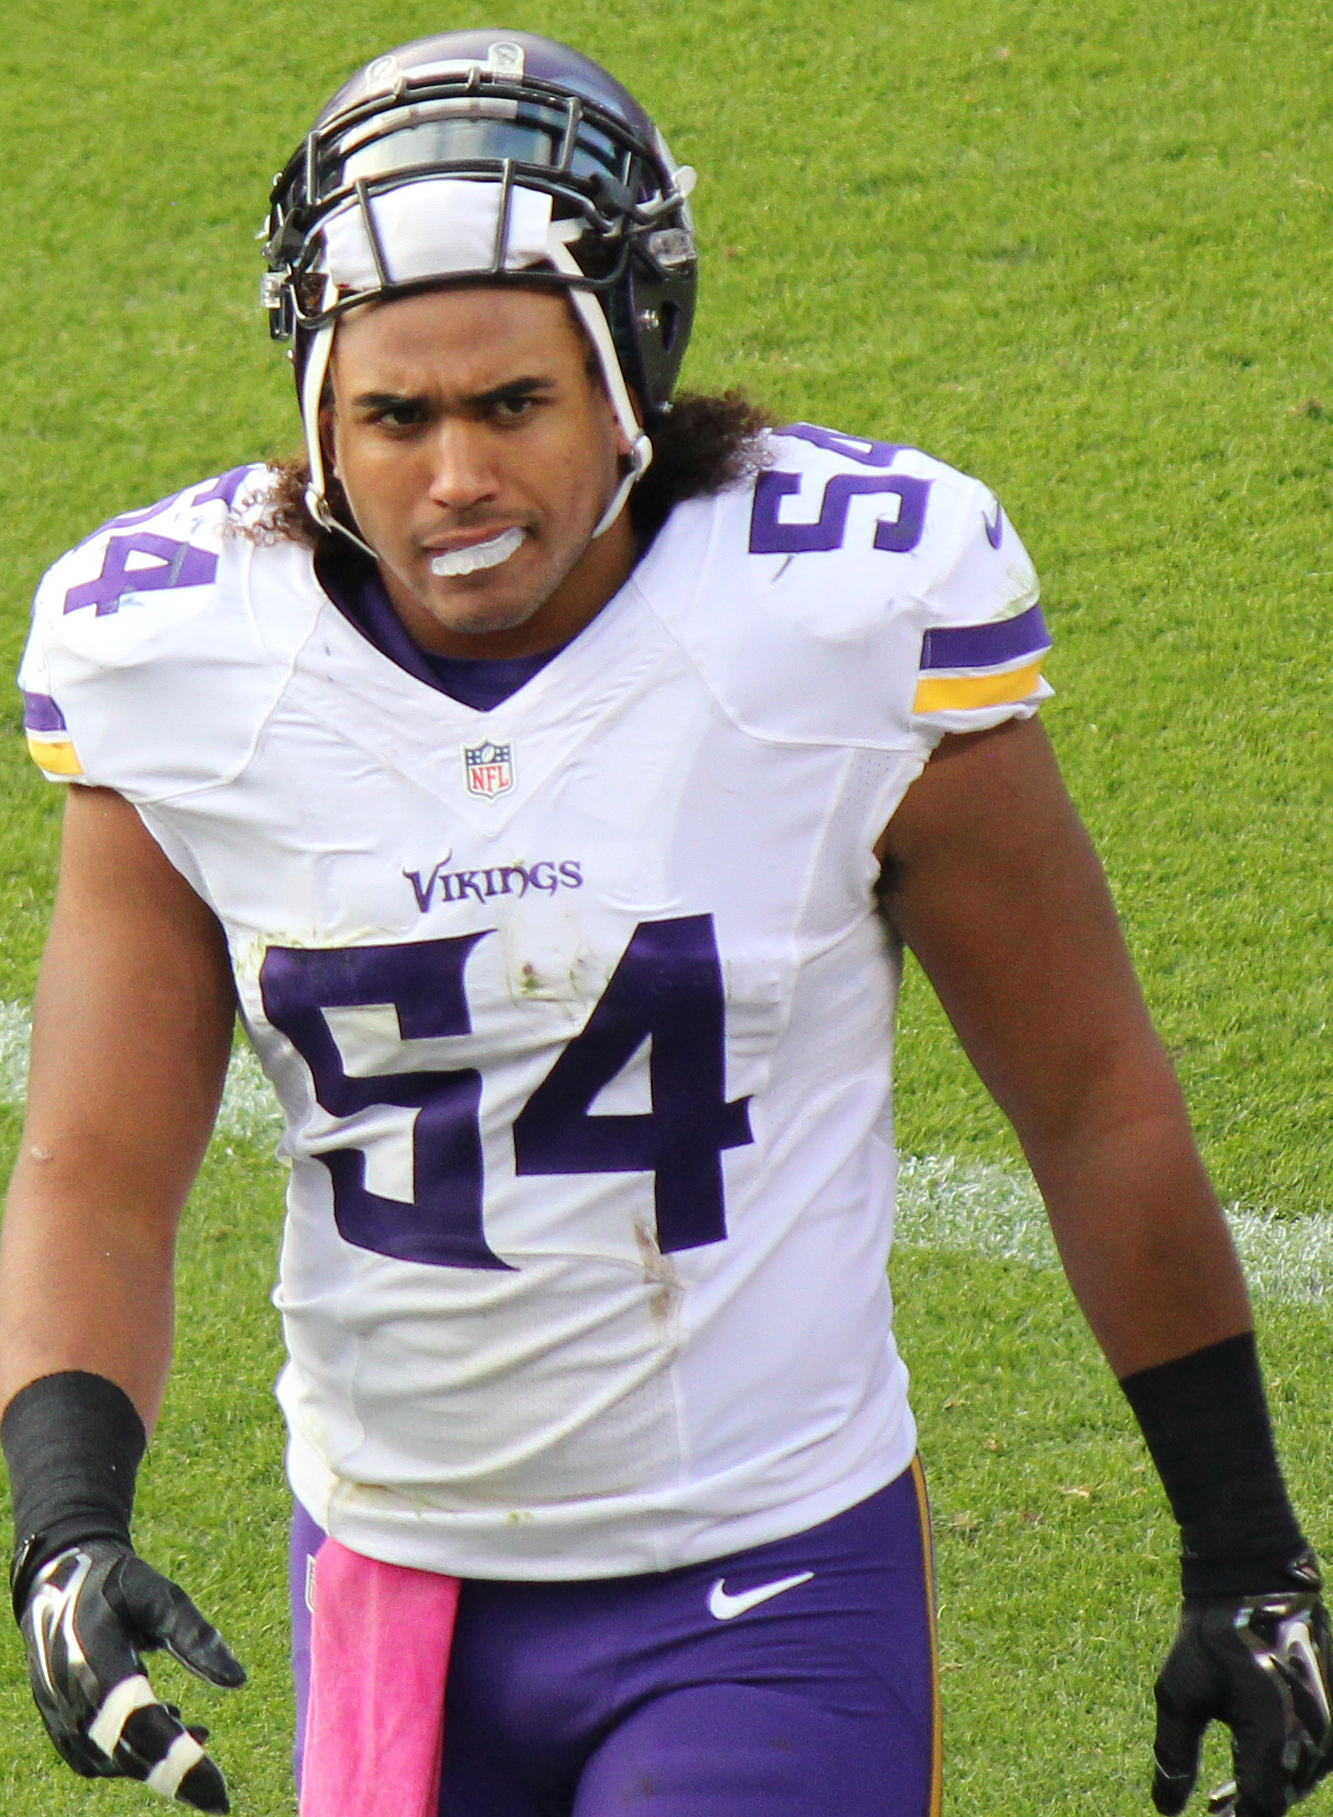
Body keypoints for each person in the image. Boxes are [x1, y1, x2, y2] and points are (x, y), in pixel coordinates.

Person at [0, 28, 1328, 1817]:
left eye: (512, 404)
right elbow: (94, 1161)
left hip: (771, 1572)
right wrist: (65, 1522)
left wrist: (1243, 1544)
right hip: (390, 1578)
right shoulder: (185, 663)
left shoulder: (831, 621)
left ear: (628, 372)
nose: (454, 476)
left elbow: (1091, 1096)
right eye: (394, 416)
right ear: (318, 410)